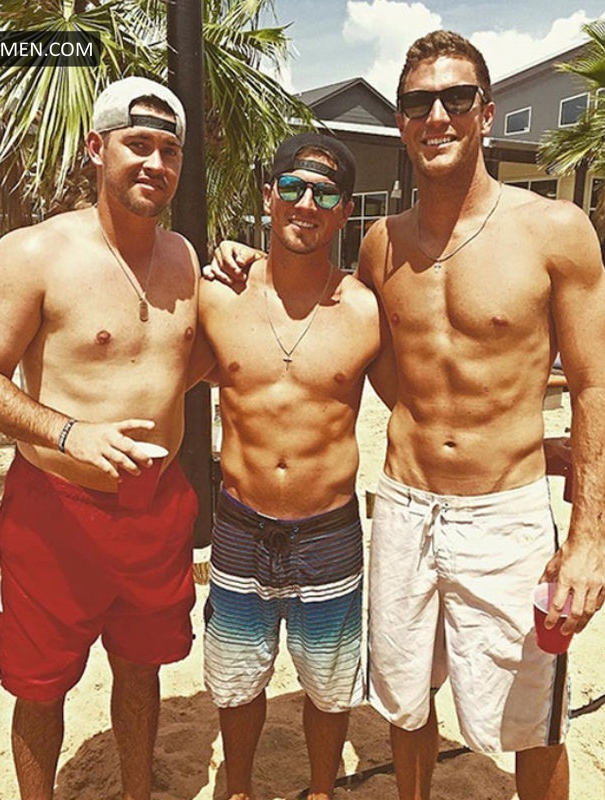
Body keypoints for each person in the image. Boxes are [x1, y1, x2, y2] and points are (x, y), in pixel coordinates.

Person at [207, 31, 605, 800]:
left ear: (486, 112)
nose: (437, 115)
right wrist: (247, 261)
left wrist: (590, 537)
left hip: (505, 513)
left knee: (534, 716)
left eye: (456, 98)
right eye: (418, 102)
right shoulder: (381, 245)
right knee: (403, 697)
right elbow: (368, 354)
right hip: (403, 505)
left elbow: (597, 384)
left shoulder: (554, 231)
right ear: (400, 122)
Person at [0, 77, 201, 800]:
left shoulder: (186, 260)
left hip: (156, 506)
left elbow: (192, 362)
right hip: (57, 509)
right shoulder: (33, 253)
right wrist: (69, 432)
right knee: (40, 683)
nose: (155, 162)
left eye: (169, 150)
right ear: (97, 148)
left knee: (141, 666)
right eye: (137, 144)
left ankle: (136, 791)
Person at [195, 133, 381, 800]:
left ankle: (323, 790)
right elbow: (144, 361)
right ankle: (240, 789)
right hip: (240, 524)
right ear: (269, 194)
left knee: (330, 686)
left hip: (328, 531)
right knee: (235, 678)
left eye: (325, 194)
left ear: (345, 211)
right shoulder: (218, 295)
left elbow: (433, 392)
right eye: (294, 187)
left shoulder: (365, 309)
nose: (307, 203)